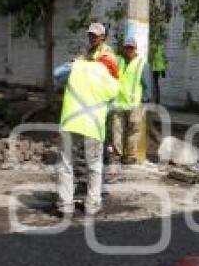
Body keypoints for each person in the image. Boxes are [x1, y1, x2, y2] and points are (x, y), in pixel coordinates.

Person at [55, 54, 120, 217]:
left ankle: (65, 206)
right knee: (94, 166)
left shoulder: (78, 66)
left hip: (70, 123)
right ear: (111, 69)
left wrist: (73, 62)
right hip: (93, 128)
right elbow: (113, 99)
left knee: (66, 164)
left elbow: (57, 75)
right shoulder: (108, 77)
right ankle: (92, 205)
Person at [110, 36, 152, 164]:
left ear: (135, 48)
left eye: (131, 47)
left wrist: (144, 100)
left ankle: (129, 156)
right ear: (123, 48)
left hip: (135, 104)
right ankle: (117, 155)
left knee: (133, 130)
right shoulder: (118, 61)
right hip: (119, 102)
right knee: (116, 129)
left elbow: (147, 85)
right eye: (126, 47)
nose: (128, 50)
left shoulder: (141, 63)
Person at [150, 40, 166, 104]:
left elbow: (154, 59)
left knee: (155, 85)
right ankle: (157, 99)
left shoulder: (154, 48)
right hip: (160, 69)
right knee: (157, 85)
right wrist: (163, 70)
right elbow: (163, 59)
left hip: (155, 69)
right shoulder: (161, 47)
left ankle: (156, 99)